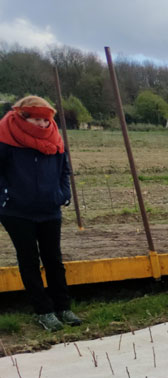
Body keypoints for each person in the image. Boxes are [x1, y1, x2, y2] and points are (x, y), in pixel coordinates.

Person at [0, 96, 81, 331]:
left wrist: (63, 193)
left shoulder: (54, 137)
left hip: (49, 208)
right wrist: (5, 196)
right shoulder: (6, 137)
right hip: (17, 211)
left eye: (46, 121)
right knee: (29, 261)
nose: (43, 125)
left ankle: (63, 307)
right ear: (23, 117)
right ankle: (43, 311)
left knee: (54, 259)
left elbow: (64, 169)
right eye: (37, 120)